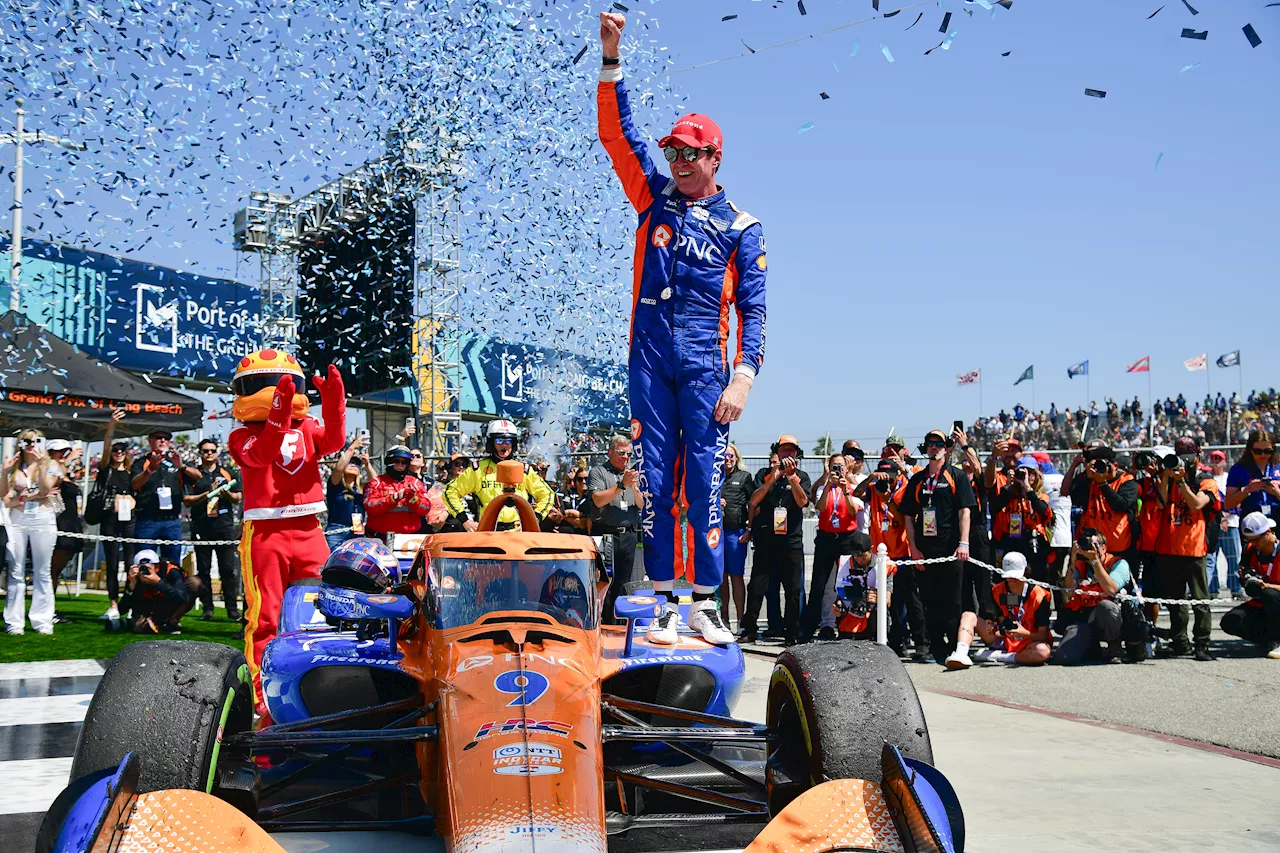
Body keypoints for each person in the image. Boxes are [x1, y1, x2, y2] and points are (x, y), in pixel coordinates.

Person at [597, 12, 767, 637]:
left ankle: (706, 605)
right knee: (657, 480)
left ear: (715, 157)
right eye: (672, 152)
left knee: (703, 482)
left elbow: (755, 309)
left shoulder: (742, 226)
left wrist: (743, 377)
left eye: (690, 155)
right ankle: (667, 603)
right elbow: (618, 137)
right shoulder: (653, 195)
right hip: (648, 358)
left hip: (704, 361)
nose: (677, 162)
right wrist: (612, 58)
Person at [229, 348, 347, 714]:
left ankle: (324, 679)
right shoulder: (240, 436)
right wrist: (277, 416)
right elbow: (262, 454)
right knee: (265, 613)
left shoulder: (308, 427)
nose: (273, 390)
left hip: (310, 527)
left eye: (279, 384)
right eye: (262, 384)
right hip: (266, 532)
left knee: (324, 608)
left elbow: (334, 442)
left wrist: (334, 405)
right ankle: (260, 691)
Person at [898, 429, 977, 663]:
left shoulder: (957, 476)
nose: (934, 447)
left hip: (951, 548)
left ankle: (955, 646)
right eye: (930, 444)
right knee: (928, 599)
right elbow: (909, 516)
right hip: (925, 550)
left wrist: (964, 543)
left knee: (952, 599)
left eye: (938, 443)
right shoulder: (918, 479)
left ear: (946, 447)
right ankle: (934, 645)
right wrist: (913, 548)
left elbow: (965, 511)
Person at [1151, 436, 1219, 661]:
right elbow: (1161, 504)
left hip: (1194, 548)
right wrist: (1166, 477)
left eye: (1189, 458)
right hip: (1169, 548)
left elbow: (1197, 504)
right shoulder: (1169, 478)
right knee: (1176, 601)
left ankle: (1202, 643)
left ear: (1198, 457)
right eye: (1181, 458)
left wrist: (1181, 482)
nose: (1185, 463)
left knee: (1200, 600)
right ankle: (1180, 642)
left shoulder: (1205, 480)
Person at [737, 436, 810, 646]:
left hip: (791, 541)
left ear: (796, 454)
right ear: (778, 452)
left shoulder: (801, 476)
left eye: (791, 451)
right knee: (757, 586)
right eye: (784, 451)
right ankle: (749, 630)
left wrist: (792, 478)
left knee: (793, 589)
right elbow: (753, 500)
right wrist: (773, 478)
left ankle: (792, 633)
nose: (787, 455)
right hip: (766, 539)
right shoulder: (763, 474)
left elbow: (803, 501)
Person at [797, 453, 863, 644]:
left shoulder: (851, 486)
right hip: (826, 538)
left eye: (840, 466)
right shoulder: (824, 487)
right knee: (820, 584)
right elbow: (820, 507)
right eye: (834, 466)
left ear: (846, 468)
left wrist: (845, 490)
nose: (837, 470)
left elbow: (852, 510)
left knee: (849, 583)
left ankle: (848, 626)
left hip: (846, 538)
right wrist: (828, 484)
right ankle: (814, 626)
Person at [1, 430, 62, 634]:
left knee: (42, 570)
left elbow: (45, 490)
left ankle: (43, 620)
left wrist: (43, 465)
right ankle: (14, 622)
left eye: (36, 441)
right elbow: (5, 498)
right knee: (16, 570)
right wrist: (4, 473)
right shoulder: (15, 468)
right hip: (18, 517)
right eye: (27, 440)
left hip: (43, 518)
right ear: (20, 443)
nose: (31, 444)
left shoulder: (50, 465)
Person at [443, 419, 553, 532]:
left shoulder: (523, 469)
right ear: (492, 443)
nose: (504, 445)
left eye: (508, 441)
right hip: (487, 531)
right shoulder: (477, 469)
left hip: (518, 533)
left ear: (514, 443)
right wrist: (465, 521)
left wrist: (534, 519)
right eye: (499, 440)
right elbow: (450, 492)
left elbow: (547, 495)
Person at [946, 552, 1052, 669]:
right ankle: (961, 654)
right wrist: (993, 627)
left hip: (1029, 641)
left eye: (1015, 575)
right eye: (1008, 575)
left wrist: (1024, 633)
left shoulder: (1039, 595)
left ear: (1025, 571)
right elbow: (999, 623)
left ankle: (1003, 657)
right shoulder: (997, 590)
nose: (1011, 579)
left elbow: (1044, 636)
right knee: (968, 616)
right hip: (1004, 638)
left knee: (1042, 652)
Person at [857, 457, 917, 656]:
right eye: (882, 476)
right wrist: (871, 479)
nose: (886, 481)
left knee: (902, 601)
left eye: (889, 477)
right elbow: (856, 493)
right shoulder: (873, 488)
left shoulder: (904, 489)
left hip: (901, 553)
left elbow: (904, 518)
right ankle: (886, 640)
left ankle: (904, 641)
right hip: (880, 556)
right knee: (881, 599)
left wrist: (887, 500)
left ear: (897, 475)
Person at [588, 435, 650, 626]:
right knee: (604, 582)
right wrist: (621, 485)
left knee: (624, 584)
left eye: (629, 454)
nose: (626, 457)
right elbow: (598, 499)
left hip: (628, 535)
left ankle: (619, 625)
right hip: (606, 534)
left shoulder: (632, 474)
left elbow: (641, 506)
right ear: (610, 452)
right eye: (621, 453)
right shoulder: (599, 472)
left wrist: (635, 488)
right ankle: (602, 625)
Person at [183, 439, 243, 622]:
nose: (209, 453)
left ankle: (232, 609)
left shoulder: (227, 472)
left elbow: (238, 497)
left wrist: (226, 494)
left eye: (212, 450)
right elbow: (187, 500)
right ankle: (207, 608)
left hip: (224, 527)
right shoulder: (194, 474)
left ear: (218, 452)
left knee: (228, 570)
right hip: (201, 527)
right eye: (205, 451)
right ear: (200, 453)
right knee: (204, 570)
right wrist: (208, 493)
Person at [1055, 529, 1131, 664]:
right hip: (1085, 616)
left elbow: (1111, 589)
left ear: (1103, 548)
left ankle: (1115, 647)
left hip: (1113, 618)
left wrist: (1095, 561)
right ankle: (1092, 647)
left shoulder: (1118, 563)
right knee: (1064, 657)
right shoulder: (1080, 564)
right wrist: (1072, 561)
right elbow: (1068, 592)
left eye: (1092, 544)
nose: (1088, 548)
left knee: (1106, 607)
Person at [130, 428, 200, 567]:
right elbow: (134, 484)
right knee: (145, 563)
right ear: (150, 441)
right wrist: (150, 469)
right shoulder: (141, 462)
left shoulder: (176, 461)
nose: (162, 440)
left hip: (171, 521)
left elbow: (198, 476)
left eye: (166, 438)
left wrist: (182, 467)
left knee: (172, 564)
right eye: (158, 438)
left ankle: (170, 588)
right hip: (147, 520)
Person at [1062, 438, 1139, 564]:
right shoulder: (1087, 478)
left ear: (1114, 465)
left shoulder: (1126, 480)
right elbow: (1075, 498)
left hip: (1119, 547)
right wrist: (1088, 477)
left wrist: (1103, 483)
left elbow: (1120, 505)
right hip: (1092, 545)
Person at [1224, 430, 1280, 595]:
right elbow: (1229, 503)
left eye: (1267, 451)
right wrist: (1247, 490)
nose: (1263, 455)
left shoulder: (1277, 467)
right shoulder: (1239, 470)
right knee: (1253, 560)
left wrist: (1276, 493)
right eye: (1258, 451)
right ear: (1250, 450)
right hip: (1252, 519)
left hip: (1276, 516)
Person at [1219, 512, 1280, 658]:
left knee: (1270, 594)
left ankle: (1277, 639)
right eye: (1249, 540)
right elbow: (1244, 575)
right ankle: (1269, 641)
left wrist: (1269, 586)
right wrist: (1246, 578)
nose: (1254, 544)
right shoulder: (1250, 550)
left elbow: (1269, 590)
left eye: (1256, 540)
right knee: (1230, 621)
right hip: (1262, 602)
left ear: (1268, 533)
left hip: (1274, 598)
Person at [94, 411, 136, 621]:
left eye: (122, 450)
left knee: (130, 563)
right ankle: (112, 604)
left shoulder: (130, 473)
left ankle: (127, 603)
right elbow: (106, 446)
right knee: (111, 562)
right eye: (116, 450)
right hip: (109, 519)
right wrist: (112, 425)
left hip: (129, 520)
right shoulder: (105, 470)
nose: (118, 453)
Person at [990, 456, 1053, 584]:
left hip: (1034, 542)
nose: (1027, 477)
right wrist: (1008, 486)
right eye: (1023, 473)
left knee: (1037, 579)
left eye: (1030, 474)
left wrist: (1028, 488)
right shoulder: (1011, 495)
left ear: (1037, 476)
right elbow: (995, 507)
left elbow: (1042, 510)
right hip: (1013, 541)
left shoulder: (1041, 495)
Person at [112, 549, 200, 635]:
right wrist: (131, 586)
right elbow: (122, 610)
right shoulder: (134, 577)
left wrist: (158, 582)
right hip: (148, 609)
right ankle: (152, 623)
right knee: (139, 627)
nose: (144, 572)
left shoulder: (171, 571)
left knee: (194, 583)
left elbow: (183, 598)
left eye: (148, 568)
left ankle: (172, 623)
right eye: (141, 568)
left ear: (157, 567)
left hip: (170, 604)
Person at [832, 532, 894, 640]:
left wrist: (878, 597)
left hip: (873, 619)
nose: (858, 559)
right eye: (855, 555)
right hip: (850, 620)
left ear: (871, 549)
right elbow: (840, 594)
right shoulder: (844, 563)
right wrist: (838, 606)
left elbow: (887, 600)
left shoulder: (885, 565)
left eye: (862, 555)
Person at [364, 446, 433, 538]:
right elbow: (369, 506)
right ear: (389, 461)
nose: (400, 465)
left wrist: (415, 500)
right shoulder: (376, 482)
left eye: (404, 462)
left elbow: (426, 508)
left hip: (409, 539)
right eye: (397, 461)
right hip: (380, 539)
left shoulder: (416, 483)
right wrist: (391, 499)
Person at [719, 443, 753, 627]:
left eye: (731, 456)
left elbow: (754, 504)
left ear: (736, 458)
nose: (728, 459)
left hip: (736, 533)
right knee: (721, 577)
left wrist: (749, 529)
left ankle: (741, 620)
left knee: (736, 576)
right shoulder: (715, 477)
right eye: (725, 455)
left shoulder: (745, 477)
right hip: (717, 533)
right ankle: (724, 619)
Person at [48, 440, 85, 599]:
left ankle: (49, 605)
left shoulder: (66, 473)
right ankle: (46, 607)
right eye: (59, 451)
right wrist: (68, 459)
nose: (63, 454)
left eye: (66, 451)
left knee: (57, 569)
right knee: (51, 569)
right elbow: (55, 481)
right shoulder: (50, 470)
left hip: (72, 524)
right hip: (58, 523)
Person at [325, 436, 375, 549]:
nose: (353, 465)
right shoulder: (336, 484)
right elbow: (338, 469)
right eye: (350, 462)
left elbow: (376, 483)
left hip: (358, 530)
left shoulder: (361, 488)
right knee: (336, 564)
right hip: (336, 532)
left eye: (357, 463)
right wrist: (352, 447)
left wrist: (367, 465)